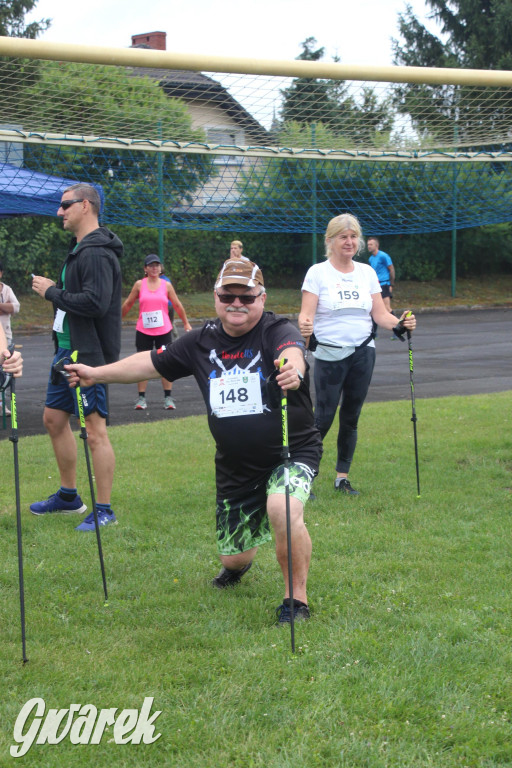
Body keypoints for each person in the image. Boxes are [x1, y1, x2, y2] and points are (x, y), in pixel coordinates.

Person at [66, 259, 323, 624]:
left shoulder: (276, 329)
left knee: (282, 507)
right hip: (236, 464)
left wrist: (293, 369)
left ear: (262, 298)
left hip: (290, 451)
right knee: (233, 558)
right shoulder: (201, 341)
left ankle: (296, 600)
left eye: (246, 297)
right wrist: (95, 374)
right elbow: (150, 363)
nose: (236, 304)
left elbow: (292, 352)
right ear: (215, 297)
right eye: (227, 296)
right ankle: (241, 563)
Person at [299, 213, 416, 496]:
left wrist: (401, 323)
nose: (349, 242)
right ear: (330, 241)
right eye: (343, 237)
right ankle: (304, 477)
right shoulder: (318, 273)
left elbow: (381, 314)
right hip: (329, 354)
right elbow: (305, 315)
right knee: (323, 418)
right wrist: (305, 326)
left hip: (363, 353)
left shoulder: (366, 273)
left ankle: (342, 478)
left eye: (353, 237)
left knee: (351, 416)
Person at [30, 182, 123, 532]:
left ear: (85, 205)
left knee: (95, 431)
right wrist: (58, 293)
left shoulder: (96, 253)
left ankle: (104, 510)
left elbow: (96, 303)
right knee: (54, 419)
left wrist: (52, 292)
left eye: (65, 205)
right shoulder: (80, 248)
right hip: (67, 350)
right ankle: (69, 496)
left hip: (89, 354)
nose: (59, 211)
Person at [122, 254, 192, 410]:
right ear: (145, 269)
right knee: (141, 363)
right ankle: (141, 398)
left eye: (157, 265)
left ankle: (168, 398)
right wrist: (117, 321)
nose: (154, 268)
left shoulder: (166, 285)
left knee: (166, 362)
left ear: (160, 268)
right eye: (151, 266)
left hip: (163, 330)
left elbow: (177, 304)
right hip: (144, 330)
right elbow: (128, 303)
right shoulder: (139, 285)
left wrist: (186, 322)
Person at [0, 261, 20, 416]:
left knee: (5, 372)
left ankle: (2, 404)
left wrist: (4, 307)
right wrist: (4, 306)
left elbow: (16, 307)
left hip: (6, 336)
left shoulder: (6, 289)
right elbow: (10, 308)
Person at [367, 236, 395, 312]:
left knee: (387, 308)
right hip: (376, 286)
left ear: (376, 245)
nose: (369, 246)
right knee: (376, 308)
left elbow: (391, 269)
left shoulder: (383, 256)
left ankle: (396, 320)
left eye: (371, 244)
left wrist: (391, 285)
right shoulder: (371, 258)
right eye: (368, 245)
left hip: (384, 284)